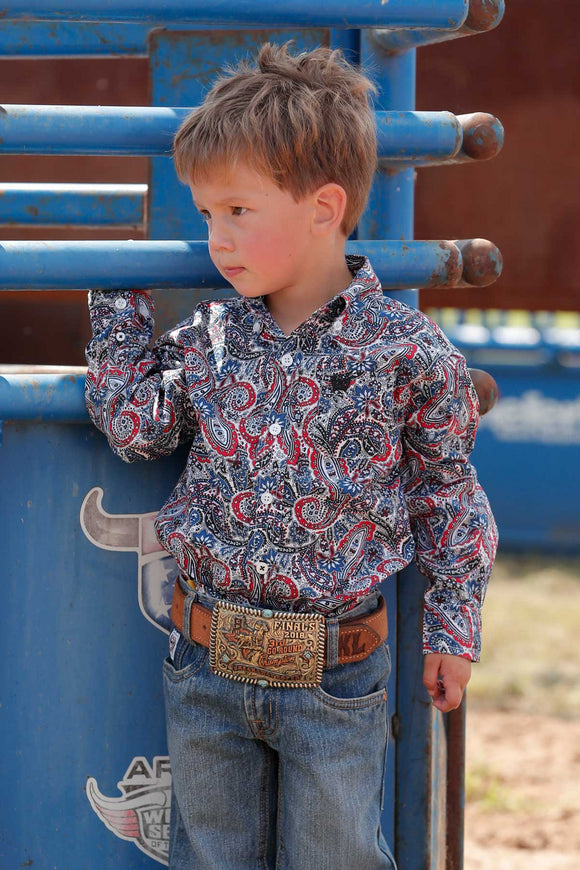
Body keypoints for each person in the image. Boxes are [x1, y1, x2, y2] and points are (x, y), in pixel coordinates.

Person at [85, 42, 497, 870]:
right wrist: (112, 289)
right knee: (213, 859)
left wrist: (452, 625)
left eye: (238, 211)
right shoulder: (209, 338)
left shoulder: (408, 355)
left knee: (335, 859)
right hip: (206, 667)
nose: (217, 240)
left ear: (324, 206)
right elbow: (137, 425)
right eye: (206, 216)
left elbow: (447, 497)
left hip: (337, 679)